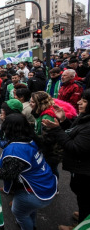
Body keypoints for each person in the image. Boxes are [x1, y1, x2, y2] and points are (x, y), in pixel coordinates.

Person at [0, 113, 57, 230]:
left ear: (9, 129)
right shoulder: (30, 138)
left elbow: (8, 174)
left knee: (20, 213)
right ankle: (31, 224)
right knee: (28, 209)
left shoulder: (15, 150)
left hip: (36, 192)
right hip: (47, 184)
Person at [42, 89, 90, 229]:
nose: (79, 102)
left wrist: (57, 130)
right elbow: (73, 133)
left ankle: (80, 224)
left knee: (85, 197)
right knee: (82, 198)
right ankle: (84, 213)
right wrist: (63, 120)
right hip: (80, 169)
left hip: (85, 171)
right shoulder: (85, 117)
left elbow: (75, 146)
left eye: (85, 101)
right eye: (81, 99)